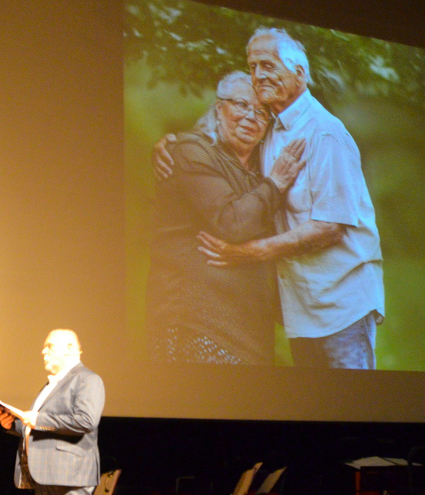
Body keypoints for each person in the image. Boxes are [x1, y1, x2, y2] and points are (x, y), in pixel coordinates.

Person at [156, 28, 385, 369]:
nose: (259, 74)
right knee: (314, 410)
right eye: (253, 67)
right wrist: (169, 143)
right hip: (301, 310)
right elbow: (219, 143)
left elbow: (329, 228)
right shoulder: (270, 129)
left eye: (268, 64)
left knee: (353, 407)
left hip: (340, 306)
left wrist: (246, 254)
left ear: (299, 73)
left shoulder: (325, 133)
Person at [146, 70, 305, 365]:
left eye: (261, 112)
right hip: (195, 325)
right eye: (241, 104)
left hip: (250, 331)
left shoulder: (260, 165)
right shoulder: (191, 151)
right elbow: (234, 223)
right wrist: (276, 184)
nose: (251, 117)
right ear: (219, 108)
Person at [0, 329, 105, 495]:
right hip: (45, 474)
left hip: (71, 475)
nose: (43, 352)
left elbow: (86, 421)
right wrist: (12, 424)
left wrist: (37, 418)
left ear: (69, 349)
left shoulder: (88, 379)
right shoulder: (51, 385)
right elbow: (41, 425)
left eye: (49, 347)